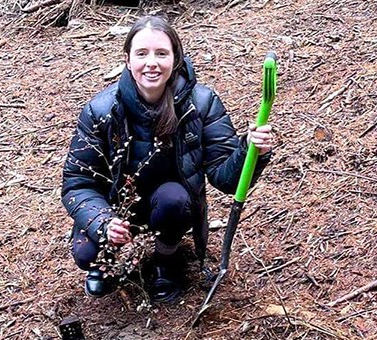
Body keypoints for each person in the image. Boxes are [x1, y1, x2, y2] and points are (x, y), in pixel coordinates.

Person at [60, 15, 274, 302]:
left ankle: (166, 260)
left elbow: (227, 179)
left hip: (171, 204)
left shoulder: (201, 103)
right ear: (127, 59)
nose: (152, 63)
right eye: (142, 53)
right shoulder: (101, 111)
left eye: (162, 53)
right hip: (118, 206)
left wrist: (250, 151)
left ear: (175, 58)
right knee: (86, 253)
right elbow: (77, 183)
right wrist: (103, 222)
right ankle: (104, 265)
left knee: (173, 198)